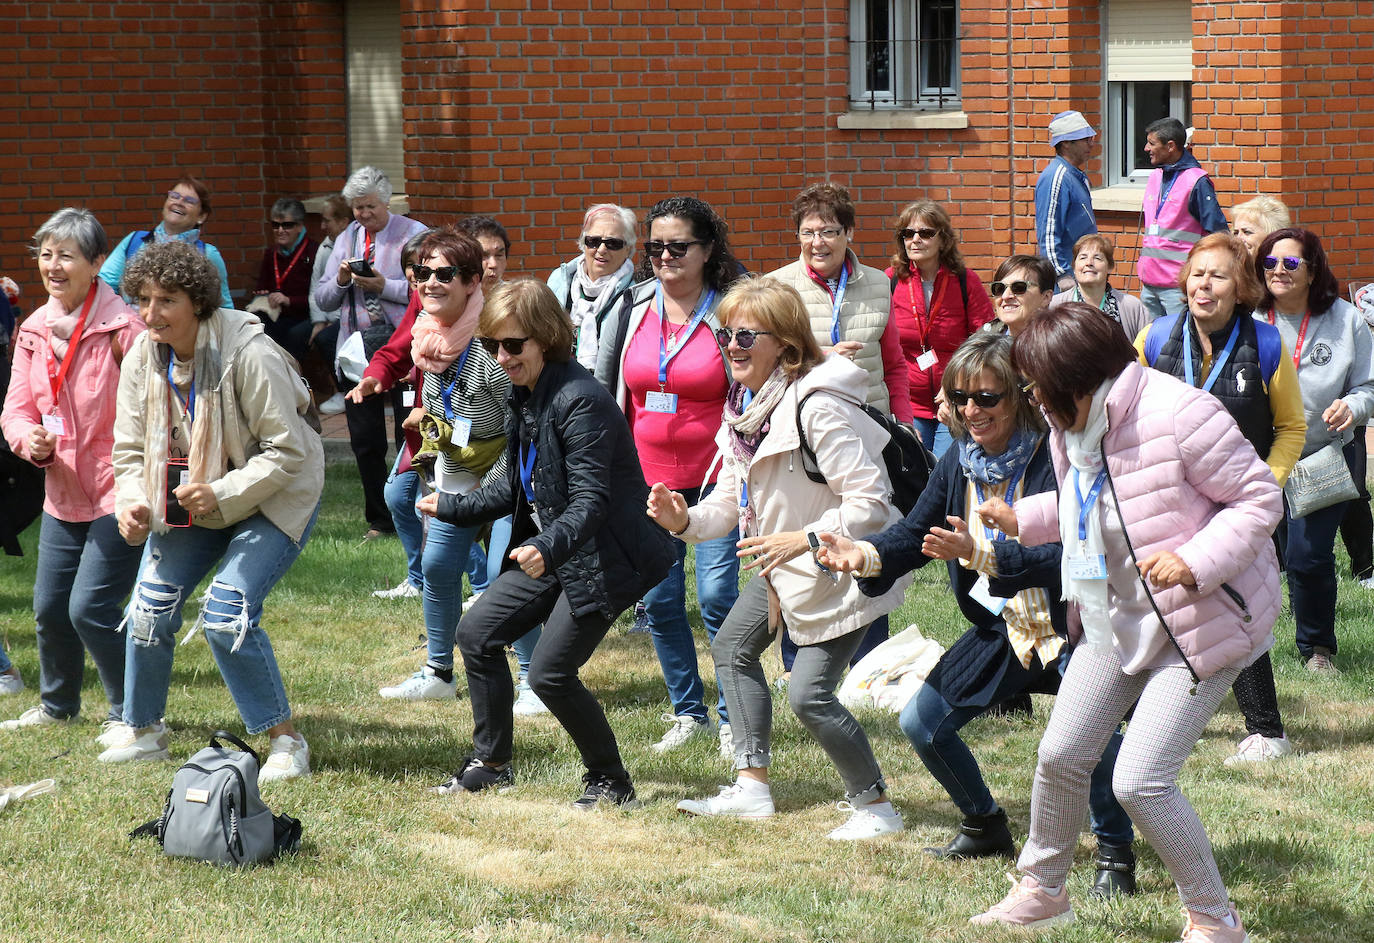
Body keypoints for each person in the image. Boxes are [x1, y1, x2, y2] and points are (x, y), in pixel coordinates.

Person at [968, 302, 1282, 942]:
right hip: (1115, 616)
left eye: (1035, 384)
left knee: (1141, 780)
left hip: (1201, 623)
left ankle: (1215, 919)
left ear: (1078, 380)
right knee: (1061, 752)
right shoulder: (1071, 426)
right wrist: (1025, 517)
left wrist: (1195, 561)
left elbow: (1259, 499)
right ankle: (1044, 888)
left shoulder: (1181, 414)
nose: (1031, 397)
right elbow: (1099, 504)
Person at [819, 331, 1137, 894]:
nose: (971, 411)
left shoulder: (1056, 456)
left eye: (987, 398)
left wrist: (981, 553)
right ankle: (985, 823)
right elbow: (915, 532)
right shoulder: (956, 461)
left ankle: (1114, 854)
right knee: (923, 722)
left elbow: (1073, 553)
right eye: (960, 398)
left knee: (1087, 740)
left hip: (1071, 621)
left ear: (1018, 396)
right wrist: (864, 554)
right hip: (1004, 625)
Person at [648, 278, 912, 840]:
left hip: (842, 568)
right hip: (782, 569)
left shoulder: (819, 407)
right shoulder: (745, 408)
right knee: (731, 647)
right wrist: (683, 520)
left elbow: (870, 502)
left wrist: (804, 539)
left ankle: (877, 808)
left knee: (809, 694)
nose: (731, 345)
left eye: (746, 334)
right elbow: (727, 500)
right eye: (725, 333)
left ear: (786, 347)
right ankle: (752, 787)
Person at [418, 279, 674, 808]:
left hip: (607, 556)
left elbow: (592, 501)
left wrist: (547, 547)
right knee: (477, 633)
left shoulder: (580, 400)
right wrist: (452, 506)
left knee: (552, 673)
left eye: (514, 345)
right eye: (492, 346)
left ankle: (610, 780)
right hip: (561, 550)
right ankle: (491, 764)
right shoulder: (525, 394)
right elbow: (515, 481)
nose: (502, 357)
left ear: (546, 340)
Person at [106, 241, 323, 783]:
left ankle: (286, 741)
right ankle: (144, 728)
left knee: (228, 611)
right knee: (150, 605)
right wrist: (132, 500)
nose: (151, 314)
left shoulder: (251, 353)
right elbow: (130, 449)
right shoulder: (141, 354)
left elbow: (287, 452)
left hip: (275, 493)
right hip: (192, 497)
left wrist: (223, 493)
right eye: (143, 300)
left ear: (198, 303)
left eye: (167, 301)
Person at [1138, 232, 1305, 765]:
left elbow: (1291, 428)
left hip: (1241, 510)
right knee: (1152, 601)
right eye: (1197, 273)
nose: (1203, 284)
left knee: (1239, 607)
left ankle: (1266, 731)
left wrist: (1261, 489)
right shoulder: (1153, 339)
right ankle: (1136, 716)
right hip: (1169, 504)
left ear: (1241, 289)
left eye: (1218, 275)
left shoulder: (1269, 344)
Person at [595, 196, 741, 754]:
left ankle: (733, 716)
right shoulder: (628, 306)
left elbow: (750, 391)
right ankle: (688, 712)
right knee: (658, 601)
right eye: (655, 246)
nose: (664, 256)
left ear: (706, 251)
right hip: (645, 480)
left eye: (678, 246)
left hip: (714, 478)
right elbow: (610, 390)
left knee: (718, 596)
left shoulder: (731, 311)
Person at [0, 208, 145, 735]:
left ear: (97, 263)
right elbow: (16, 409)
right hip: (61, 493)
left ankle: (131, 712)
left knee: (92, 608)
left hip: (118, 489)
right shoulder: (35, 329)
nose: (53, 266)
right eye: (45, 254)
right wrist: (28, 440)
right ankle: (57, 705)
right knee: (49, 609)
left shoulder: (125, 328)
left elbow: (154, 409)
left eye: (67, 255)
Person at [375, 227, 511, 701]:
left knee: (506, 576)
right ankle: (438, 674)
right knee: (436, 566)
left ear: (473, 281)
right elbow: (439, 415)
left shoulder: (493, 347)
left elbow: (520, 429)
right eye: (420, 273)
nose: (429, 282)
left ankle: (534, 679)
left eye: (444, 273)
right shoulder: (429, 340)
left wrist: (487, 494)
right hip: (456, 472)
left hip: (507, 475)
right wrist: (433, 469)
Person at [1254, 227, 1374, 673]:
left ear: (1312, 270)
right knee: (1261, 555)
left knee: (1309, 554)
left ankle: (1316, 649)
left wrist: (1353, 405)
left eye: (1289, 263)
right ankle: (1241, 648)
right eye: (1269, 263)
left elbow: (1369, 385)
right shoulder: (1247, 317)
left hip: (1320, 457)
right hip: (1255, 459)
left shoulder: (1345, 320)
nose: (1277, 271)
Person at [313, 166, 427, 539]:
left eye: (370, 207)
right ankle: (381, 519)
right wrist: (344, 279)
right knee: (365, 439)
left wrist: (384, 285)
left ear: (387, 201)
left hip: (404, 348)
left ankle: (416, 511)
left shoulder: (415, 235)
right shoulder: (347, 238)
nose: (363, 215)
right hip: (356, 350)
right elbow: (323, 296)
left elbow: (432, 293)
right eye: (357, 208)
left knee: (411, 431)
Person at [765, 183, 911, 424]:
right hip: (803, 427)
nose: (817, 242)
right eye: (807, 232)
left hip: (871, 425)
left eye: (828, 232)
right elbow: (767, 365)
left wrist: (905, 423)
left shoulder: (879, 283)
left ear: (849, 231)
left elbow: (894, 366)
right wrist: (824, 358)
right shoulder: (777, 287)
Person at [888, 200, 996, 456]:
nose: (915, 239)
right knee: (915, 477)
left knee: (945, 470)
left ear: (942, 239)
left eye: (925, 233)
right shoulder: (890, 281)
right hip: (908, 406)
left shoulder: (963, 280)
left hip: (955, 402)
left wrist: (955, 386)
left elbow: (985, 340)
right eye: (908, 233)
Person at [1137, 117, 1228, 319]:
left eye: (1152, 143)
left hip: (1177, 286)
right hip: (1149, 283)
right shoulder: (1155, 176)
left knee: (1180, 344)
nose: (1146, 148)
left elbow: (1219, 235)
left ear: (1170, 146)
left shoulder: (1196, 181)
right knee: (1148, 344)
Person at [100, 175, 232, 310]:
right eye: (174, 196)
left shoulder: (208, 254)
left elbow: (224, 308)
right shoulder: (134, 240)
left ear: (201, 216)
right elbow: (104, 285)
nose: (179, 202)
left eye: (189, 201)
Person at [550, 204, 639, 372]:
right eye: (593, 241)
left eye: (613, 243)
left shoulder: (636, 296)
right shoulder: (559, 282)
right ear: (583, 243)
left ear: (628, 249)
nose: (602, 249)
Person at [1034, 110, 1098, 291]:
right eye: (1085, 140)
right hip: (1067, 282)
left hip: (1083, 274)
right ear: (1066, 144)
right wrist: (1061, 274)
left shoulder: (1075, 175)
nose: (1091, 145)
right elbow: (1048, 233)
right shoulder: (1056, 177)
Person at [251, 198, 318, 364]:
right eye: (275, 225)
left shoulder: (313, 252)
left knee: (294, 334)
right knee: (253, 324)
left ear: (300, 226)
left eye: (287, 225)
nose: (280, 230)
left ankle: (294, 380)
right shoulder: (271, 253)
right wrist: (266, 295)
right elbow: (261, 286)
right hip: (276, 313)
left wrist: (289, 300)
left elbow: (318, 298)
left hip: (304, 315)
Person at [1049, 235, 1151, 341]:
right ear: (1074, 267)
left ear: (1110, 267)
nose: (1089, 263)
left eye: (1097, 258)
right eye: (1083, 258)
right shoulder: (1054, 306)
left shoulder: (1133, 307)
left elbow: (1145, 349)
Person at [310, 194, 354, 415]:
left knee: (328, 339)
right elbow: (316, 287)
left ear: (343, 222)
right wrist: (319, 320)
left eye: (327, 220)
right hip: (327, 314)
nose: (322, 226)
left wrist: (332, 321)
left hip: (347, 316)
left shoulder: (354, 246)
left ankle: (345, 391)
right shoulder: (325, 247)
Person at [988, 255, 1056, 337]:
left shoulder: (1065, 345)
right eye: (999, 288)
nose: (1005, 296)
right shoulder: (981, 344)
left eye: (1019, 287)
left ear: (1046, 297)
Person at [458, 215, 511, 291]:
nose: (493, 265)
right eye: (483, 256)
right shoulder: (447, 300)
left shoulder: (516, 300)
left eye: (499, 255)